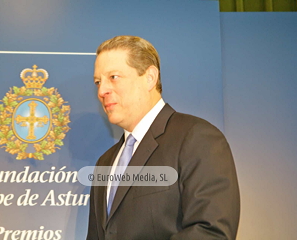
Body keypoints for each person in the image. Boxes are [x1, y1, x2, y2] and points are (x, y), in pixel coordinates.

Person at [87, 35, 240, 240]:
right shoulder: (104, 162)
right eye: (98, 82)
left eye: (113, 77)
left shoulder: (197, 138)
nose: (102, 90)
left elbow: (212, 232)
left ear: (150, 77)